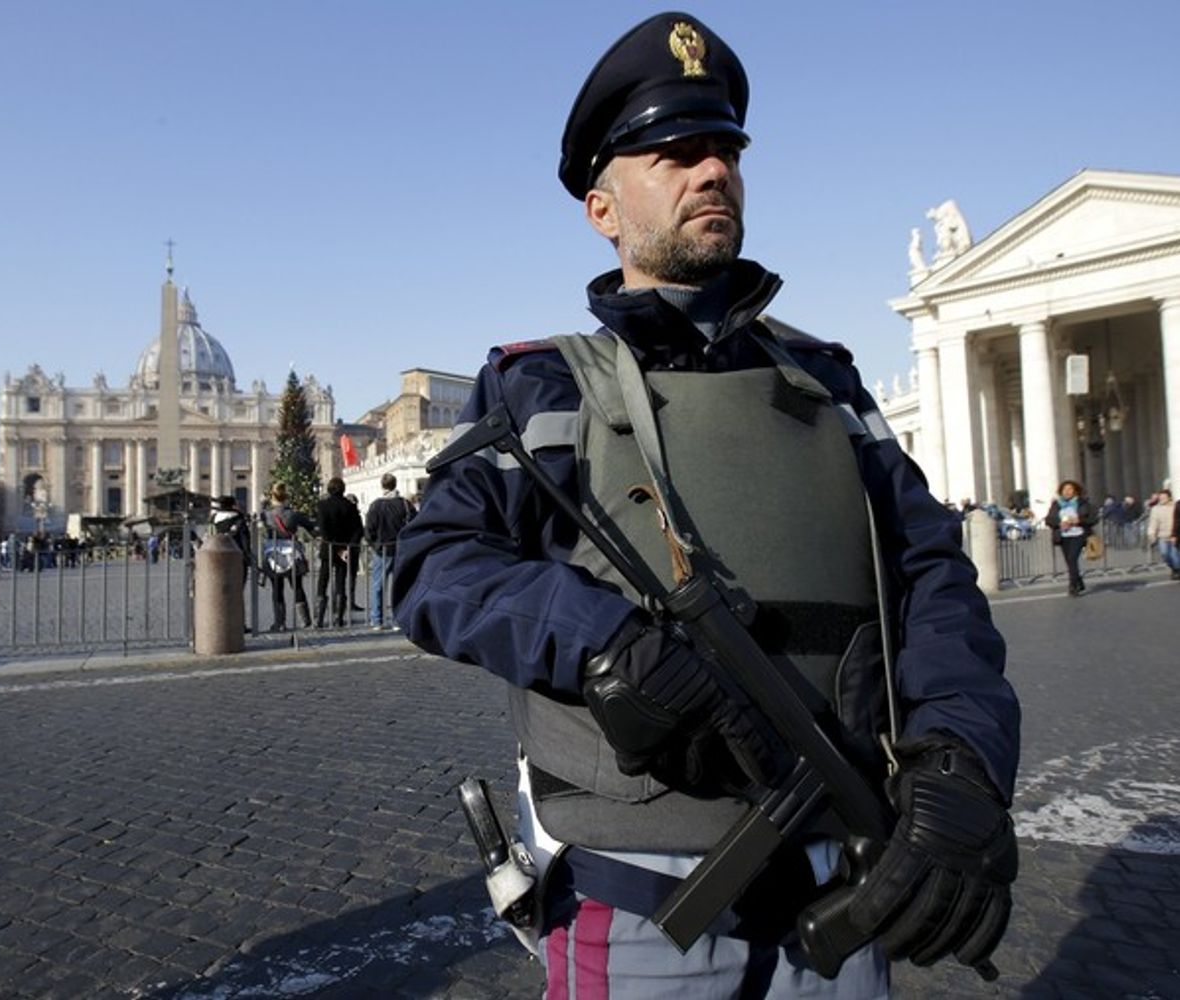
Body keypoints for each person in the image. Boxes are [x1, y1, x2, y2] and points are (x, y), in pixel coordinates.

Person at [394, 13, 1020, 997]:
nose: (712, 171)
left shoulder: (827, 385)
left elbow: (934, 582)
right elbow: (433, 567)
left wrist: (962, 766)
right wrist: (606, 646)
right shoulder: (539, 387)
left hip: (843, 895)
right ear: (603, 206)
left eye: (724, 149)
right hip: (639, 918)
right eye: (674, 152)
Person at [364, 473, 415, 630]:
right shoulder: (405, 504)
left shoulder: (375, 505)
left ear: (382, 486)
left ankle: (377, 620)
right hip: (401, 548)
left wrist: (374, 545)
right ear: (395, 484)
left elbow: (369, 529)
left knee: (378, 585)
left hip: (382, 549)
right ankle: (397, 619)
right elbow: (414, 523)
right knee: (399, 585)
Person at [262, 482, 314, 630]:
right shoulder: (293, 514)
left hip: (273, 552)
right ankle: (305, 620)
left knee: (277, 589)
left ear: (272, 495)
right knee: (297, 587)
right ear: (286, 496)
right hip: (292, 552)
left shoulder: (265, 514)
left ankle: (280, 622)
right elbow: (310, 526)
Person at [314, 477, 364, 627]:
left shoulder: (322, 505)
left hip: (328, 549)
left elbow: (324, 531)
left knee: (323, 582)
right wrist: (347, 548)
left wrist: (336, 548)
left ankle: (319, 619)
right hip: (345, 550)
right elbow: (358, 530)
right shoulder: (350, 506)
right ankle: (338, 618)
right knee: (341, 583)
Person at [1044, 479, 1095, 596]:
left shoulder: (1083, 503)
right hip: (1063, 536)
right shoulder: (1056, 504)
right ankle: (1079, 581)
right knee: (1070, 562)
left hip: (1079, 535)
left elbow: (1093, 518)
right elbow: (1049, 520)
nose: (1067, 492)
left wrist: (1079, 520)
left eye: (1070, 489)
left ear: (1075, 491)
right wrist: (1059, 523)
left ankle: (1073, 586)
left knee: (1072, 559)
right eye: (1065, 489)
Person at [1146, 487, 1179, 579]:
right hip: (1162, 536)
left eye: (1164, 497)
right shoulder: (1156, 509)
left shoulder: (1175, 507)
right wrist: (1151, 534)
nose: (1162, 499)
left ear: (1169, 497)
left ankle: (1176, 570)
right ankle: (1174, 568)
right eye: (1160, 498)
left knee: (1174, 555)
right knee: (1165, 554)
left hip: (1174, 536)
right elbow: (1153, 523)